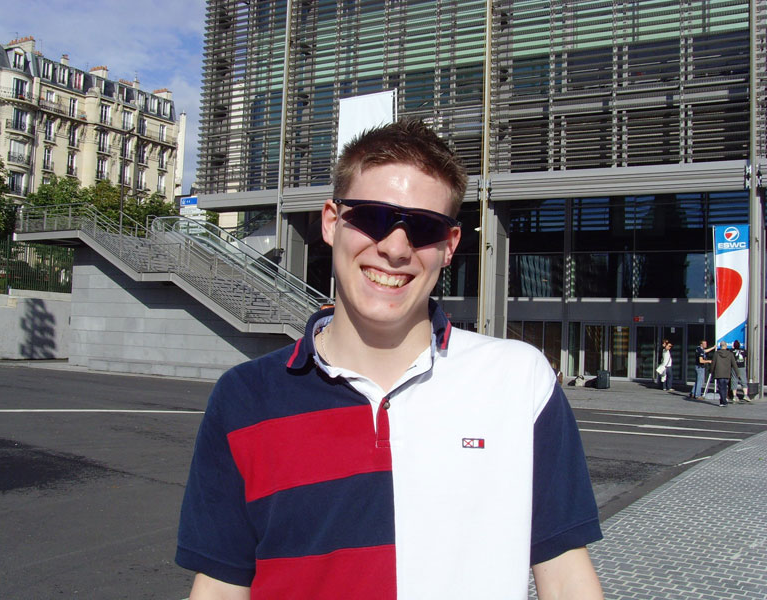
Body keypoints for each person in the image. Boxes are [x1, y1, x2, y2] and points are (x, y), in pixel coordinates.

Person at [175, 119, 603, 599]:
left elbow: (565, 578)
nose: (395, 248)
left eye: (423, 227)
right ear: (331, 221)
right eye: (373, 217)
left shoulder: (520, 381)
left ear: (449, 245)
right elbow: (220, 587)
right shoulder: (244, 398)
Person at [710, 341, 736, 407]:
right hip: (727, 373)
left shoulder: (716, 353)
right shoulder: (730, 354)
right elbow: (734, 364)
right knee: (724, 388)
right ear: (726, 346)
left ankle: (724, 401)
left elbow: (713, 363)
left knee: (721, 388)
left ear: (720, 346)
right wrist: (737, 373)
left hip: (719, 373)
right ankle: (722, 401)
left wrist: (711, 371)